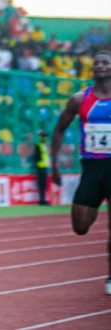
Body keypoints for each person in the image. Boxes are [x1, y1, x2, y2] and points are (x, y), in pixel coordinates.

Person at [51, 51, 111, 295]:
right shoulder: (79, 99)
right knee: (80, 226)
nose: (99, 66)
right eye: (96, 62)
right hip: (92, 169)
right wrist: (54, 165)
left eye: (105, 62)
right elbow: (59, 129)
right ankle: (95, 206)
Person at [32, 130, 50, 206]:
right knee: (41, 184)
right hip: (40, 167)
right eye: (43, 136)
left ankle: (43, 200)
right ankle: (42, 200)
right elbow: (36, 157)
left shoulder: (45, 145)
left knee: (44, 184)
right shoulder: (38, 145)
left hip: (45, 166)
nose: (45, 137)